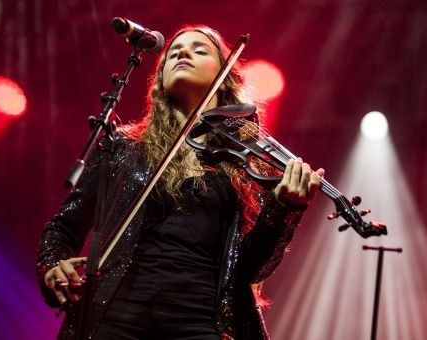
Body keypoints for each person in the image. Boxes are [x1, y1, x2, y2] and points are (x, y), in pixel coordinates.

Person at [36, 25, 325, 340]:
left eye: (199, 50)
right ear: (159, 78)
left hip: (199, 320)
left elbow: (252, 269)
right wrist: (53, 265)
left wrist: (286, 208)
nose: (182, 53)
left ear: (225, 76)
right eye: (173, 52)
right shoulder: (122, 146)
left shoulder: (245, 160)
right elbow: (63, 228)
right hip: (114, 314)